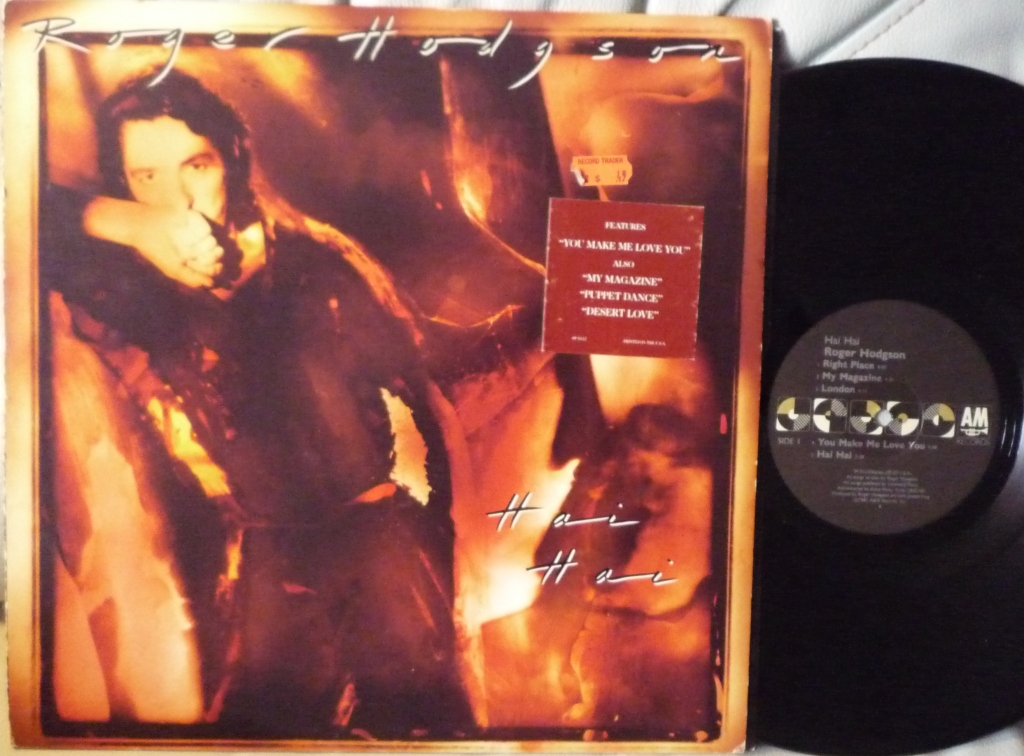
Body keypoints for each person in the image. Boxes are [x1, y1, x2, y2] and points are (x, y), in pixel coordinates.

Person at [42, 68, 475, 737]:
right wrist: (133, 225)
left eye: (195, 165)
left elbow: (421, 402)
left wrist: (438, 543)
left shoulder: (316, 262)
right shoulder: (127, 288)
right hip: (264, 562)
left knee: (421, 725)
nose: (177, 197)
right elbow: (25, 206)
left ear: (232, 159)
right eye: (146, 176)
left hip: (381, 544)